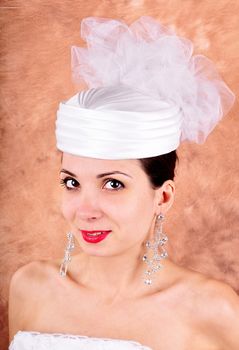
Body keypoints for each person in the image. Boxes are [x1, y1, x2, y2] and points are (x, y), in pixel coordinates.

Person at [8, 16, 239, 350]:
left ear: (163, 197)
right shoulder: (29, 287)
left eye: (113, 184)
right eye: (72, 183)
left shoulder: (213, 311)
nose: (85, 210)